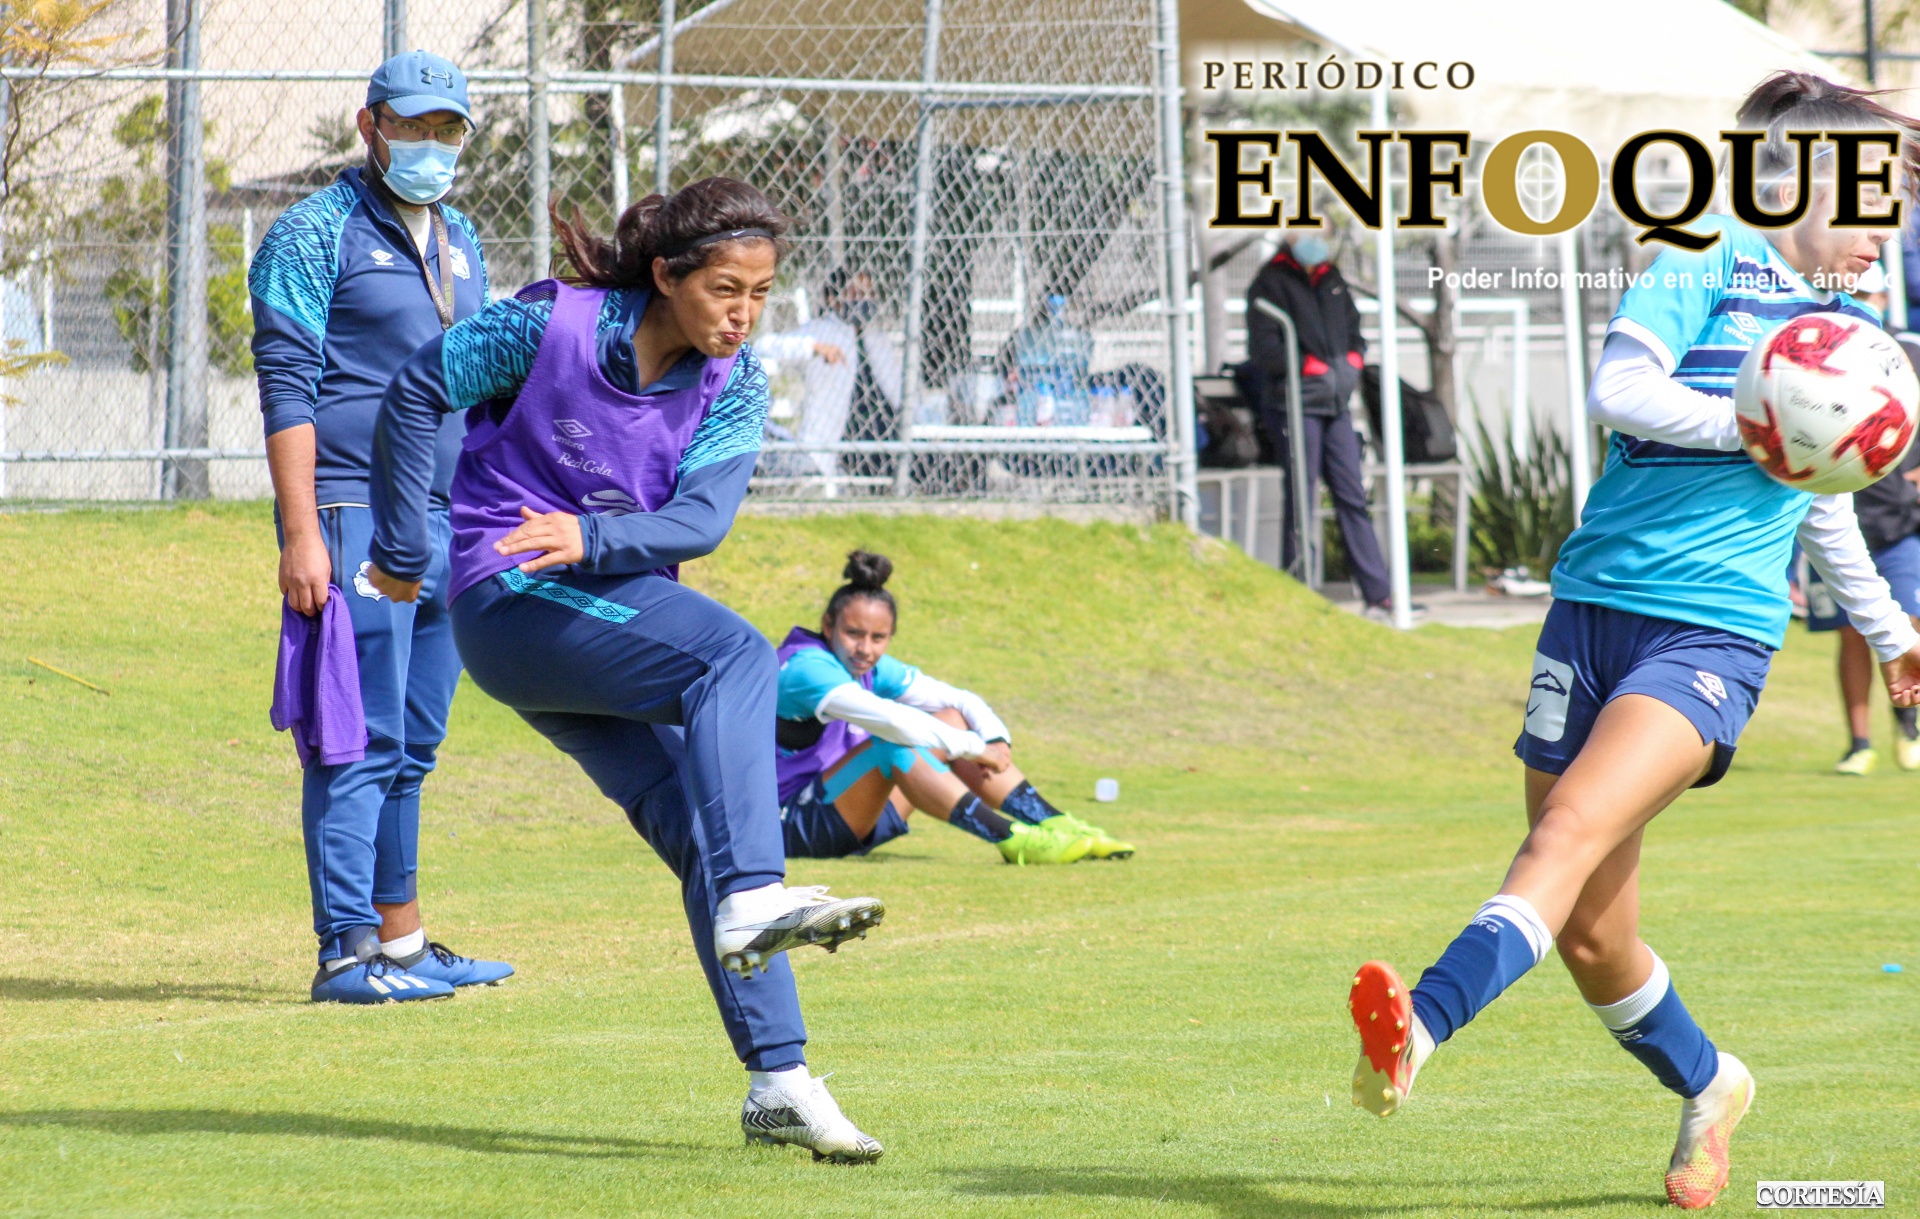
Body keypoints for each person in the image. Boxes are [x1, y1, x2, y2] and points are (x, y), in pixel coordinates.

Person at [1343, 73, 1920, 1211]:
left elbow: (1826, 503)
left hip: (1715, 632)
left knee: (1560, 832)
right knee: (1595, 938)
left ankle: (1419, 1023)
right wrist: (1761, 422)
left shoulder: (1858, 334)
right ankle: (1711, 1084)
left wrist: (1895, 632)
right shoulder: (1704, 257)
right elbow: (1622, 389)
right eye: (1873, 201)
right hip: (1591, 607)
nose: (1883, 234)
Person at [366, 177, 886, 1161]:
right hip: (510, 599)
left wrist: (594, 532)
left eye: (761, 295)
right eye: (725, 289)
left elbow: (704, 522)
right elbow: (418, 385)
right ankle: (756, 896)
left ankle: (779, 1077)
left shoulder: (727, 387)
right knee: (732, 655)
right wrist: (401, 547)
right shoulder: (546, 325)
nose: (742, 315)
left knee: (704, 833)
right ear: (665, 275)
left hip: (604, 616)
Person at [251, 50, 511, 1003]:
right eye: (414, 125)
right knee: (353, 737)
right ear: (370, 126)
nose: (432, 145)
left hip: (445, 517)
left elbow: (477, 377)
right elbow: (285, 385)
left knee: (413, 741)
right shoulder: (311, 231)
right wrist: (300, 533)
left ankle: (403, 944)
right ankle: (344, 952)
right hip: (353, 509)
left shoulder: (464, 235)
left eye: (449, 130)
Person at [774, 551, 1135, 864]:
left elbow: (959, 700)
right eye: (854, 633)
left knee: (952, 720)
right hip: (792, 823)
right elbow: (892, 721)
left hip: (850, 813)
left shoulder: (867, 666)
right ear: (827, 625)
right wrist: (977, 750)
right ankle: (1016, 841)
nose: (865, 648)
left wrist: (995, 739)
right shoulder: (806, 669)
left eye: (878, 637)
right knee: (892, 741)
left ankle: (1055, 823)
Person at [1245, 233, 1396, 620]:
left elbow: (1354, 334)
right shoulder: (1269, 282)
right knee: (1301, 496)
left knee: (1352, 496)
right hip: (1294, 406)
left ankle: (1378, 594)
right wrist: (1303, 366)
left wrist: (1351, 362)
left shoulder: (1333, 279)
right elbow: (1264, 349)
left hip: (1336, 406)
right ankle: (1299, 589)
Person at [1808, 279, 1920, 774]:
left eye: (1870, 292)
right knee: (1850, 632)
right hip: (1833, 512)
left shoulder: (1909, 348)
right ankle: (1859, 743)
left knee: (1906, 623)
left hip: (1900, 520)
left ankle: (1908, 728)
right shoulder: (1809, 345)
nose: (1863, 299)